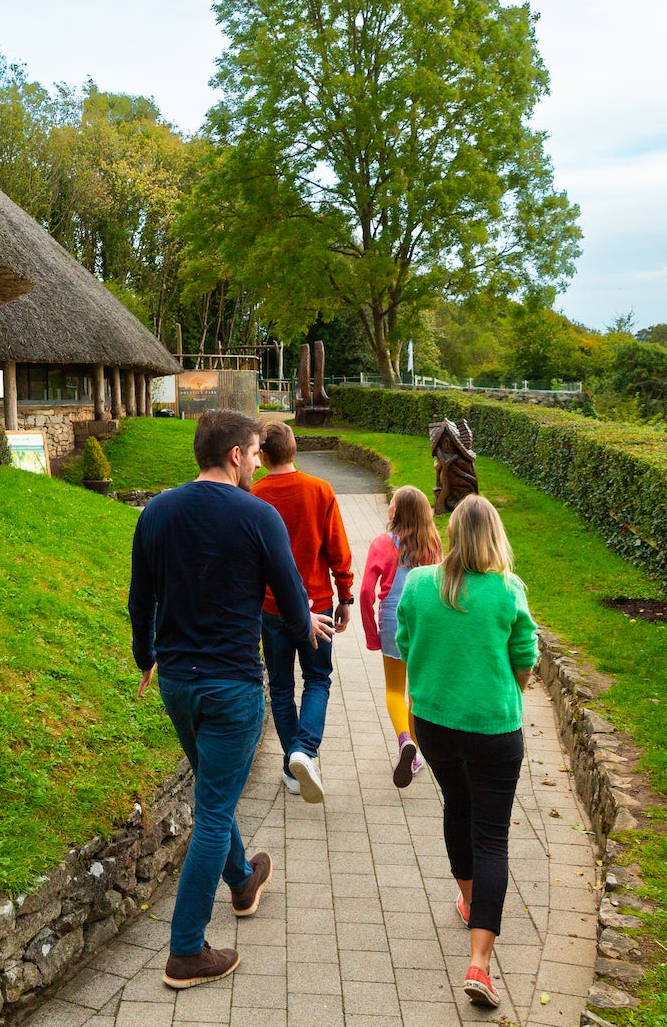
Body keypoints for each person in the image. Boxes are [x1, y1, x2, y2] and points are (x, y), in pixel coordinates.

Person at [130, 408, 331, 989]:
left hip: (178, 685)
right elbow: (293, 602)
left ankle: (243, 880)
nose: (254, 462)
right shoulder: (257, 515)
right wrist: (308, 627)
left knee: (211, 790)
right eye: (251, 451)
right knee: (214, 812)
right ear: (238, 454)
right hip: (232, 688)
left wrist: (147, 658)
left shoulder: (157, 512)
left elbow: (140, 600)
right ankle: (186, 951)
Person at [394, 494, 538, 1010]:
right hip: (495, 729)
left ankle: (471, 900)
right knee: (492, 836)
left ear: (452, 533)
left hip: (433, 724)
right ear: (495, 534)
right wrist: (505, 686)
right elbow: (525, 659)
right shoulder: (507, 590)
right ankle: (480, 962)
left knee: (458, 806)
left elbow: (407, 645)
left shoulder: (418, 583)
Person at [251, 421, 353, 804]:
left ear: (262, 455)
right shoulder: (321, 490)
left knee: (280, 687)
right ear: (295, 450)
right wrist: (346, 596)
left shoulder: (255, 494)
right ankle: (304, 752)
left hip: (271, 606)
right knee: (318, 680)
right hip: (319, 604)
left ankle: (291, 766)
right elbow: (338, 550)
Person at [358, 485, 441, 787]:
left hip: (393, 619)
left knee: (394, 689)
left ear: (397, 512)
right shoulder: (433, 544)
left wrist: (371, 633)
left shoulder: (382, 542)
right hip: (425, 621)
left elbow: (367, 592)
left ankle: (405, 741)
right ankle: (416, 749)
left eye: (392, 504)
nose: (389, 508)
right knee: (416, 691)